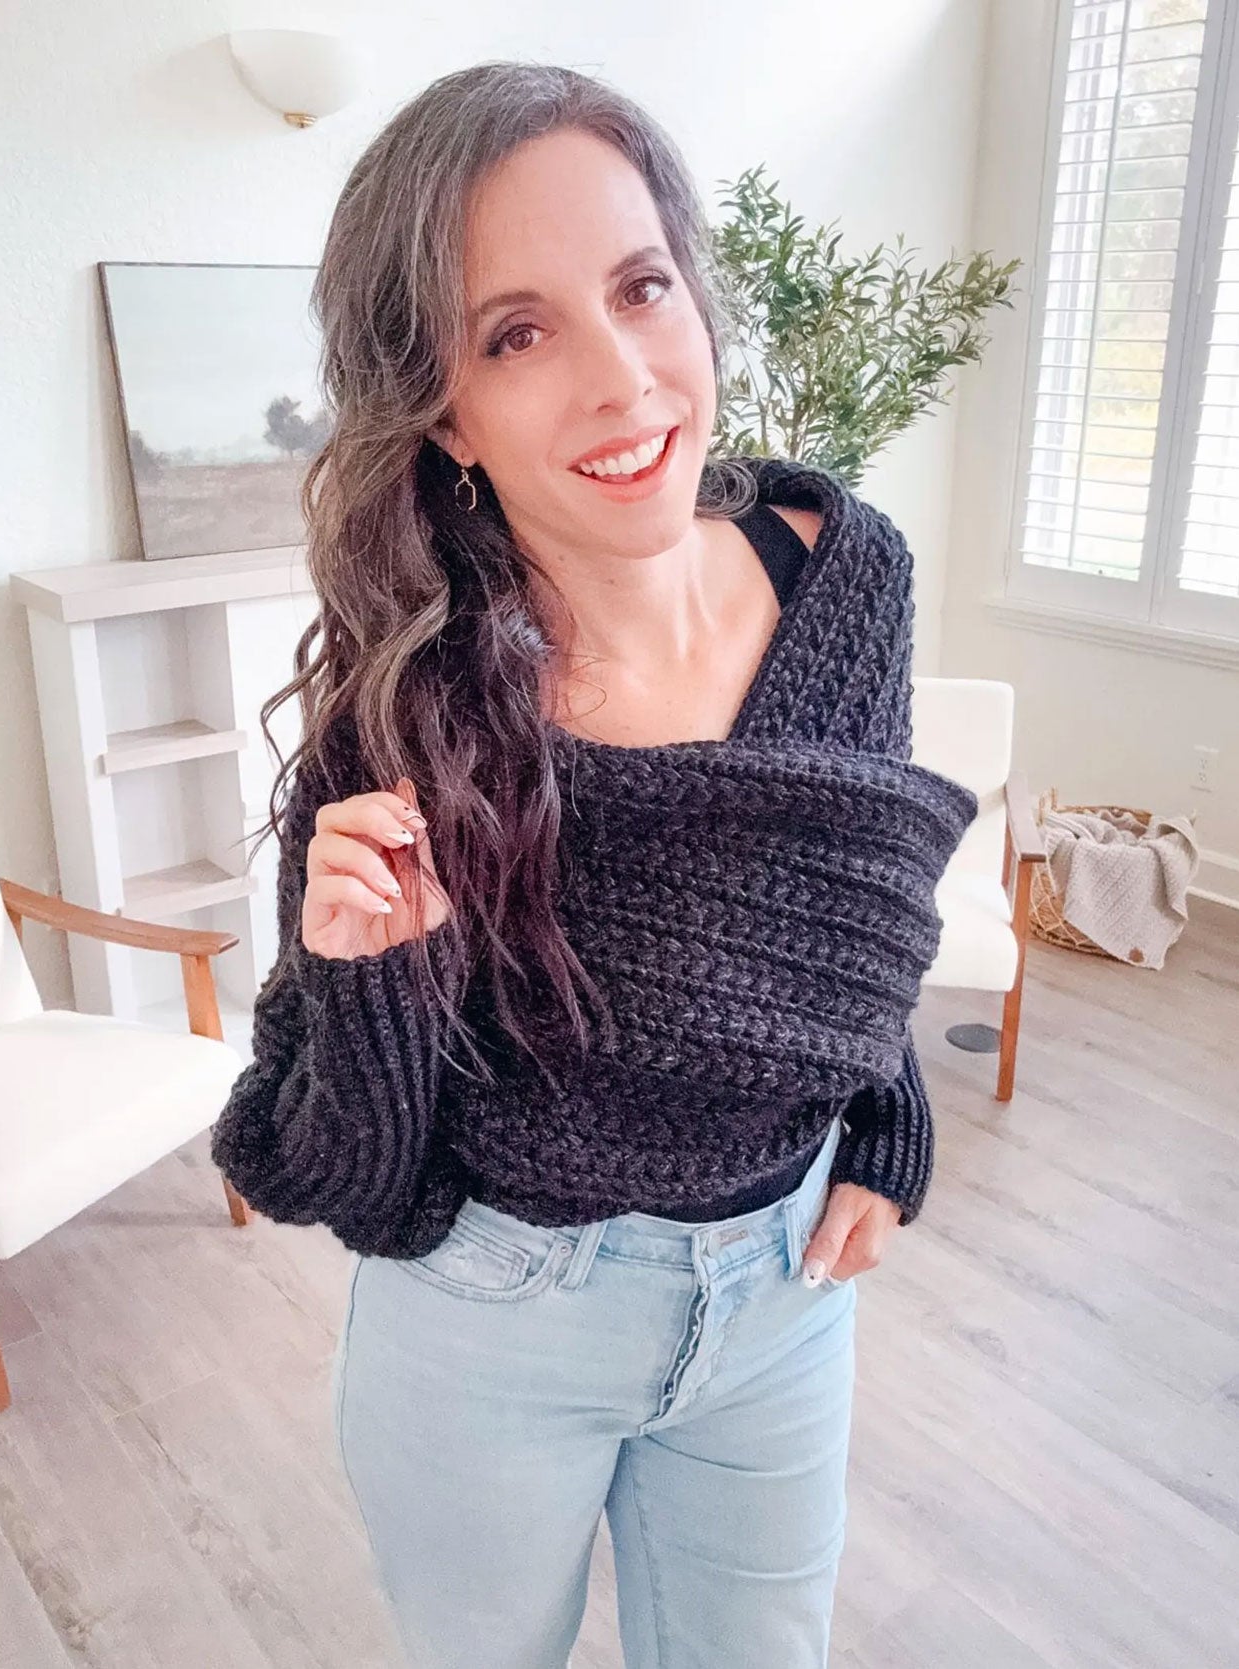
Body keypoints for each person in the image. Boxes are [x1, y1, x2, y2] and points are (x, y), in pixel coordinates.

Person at [210, 59, 977, 1669]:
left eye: (641, 288)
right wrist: (369, 979)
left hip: (781, 1297)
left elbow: (850, 913)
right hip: (493, 1314)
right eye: (517, 332)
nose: (623, 380)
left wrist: (885, 1114)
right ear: (445, 410)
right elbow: (339, 1173)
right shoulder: (409, 706)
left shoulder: (849, 578)